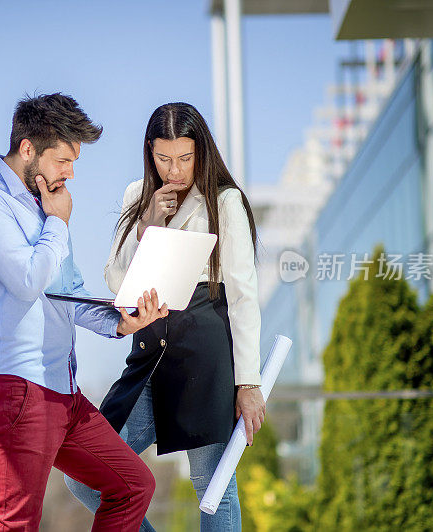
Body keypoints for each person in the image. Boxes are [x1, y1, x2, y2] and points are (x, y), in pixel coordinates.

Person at [0, 93, 169, 531]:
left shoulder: (47, 206)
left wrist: (120, 321)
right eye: (63, 160)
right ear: (28, 148)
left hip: (62, 392)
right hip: (11, 386)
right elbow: (28, 279)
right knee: (14, 522)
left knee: (132, 486)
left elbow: (67, 293)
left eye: (74, 162)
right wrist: (58, 224)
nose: (70, 173)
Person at [65, 102, 265, 532]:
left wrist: (248, 383)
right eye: (164, 158)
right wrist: (147, 224)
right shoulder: (137, 196)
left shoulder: (224, 201)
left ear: (202, 153)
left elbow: (244, 297)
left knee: (213, 490)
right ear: (150, 153)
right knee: (84, 475)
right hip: (148, 355)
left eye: (185, 158)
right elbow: (118, 282)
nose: (175, 170)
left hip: (205, 356)